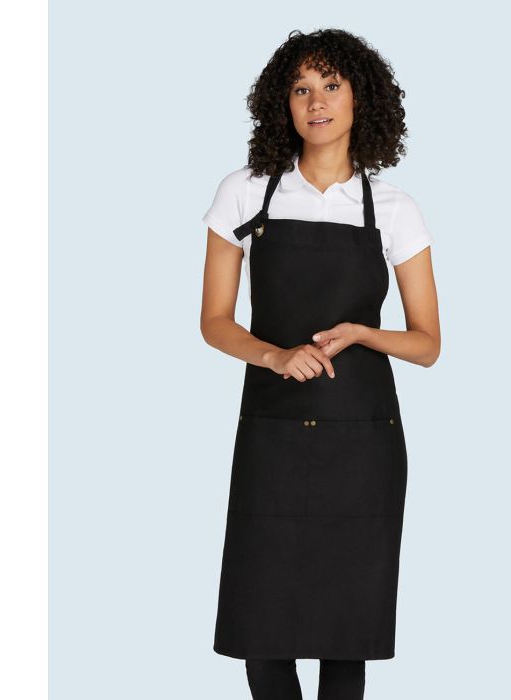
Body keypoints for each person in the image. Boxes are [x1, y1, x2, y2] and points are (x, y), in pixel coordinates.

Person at [199, 28, 441, 700]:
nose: (316, 102)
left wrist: (364, 332)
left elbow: (427, 344)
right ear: (283, 103)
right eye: (301, 88)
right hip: (272, 433)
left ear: (362, 99)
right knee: (261, 629)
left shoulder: (394, 209)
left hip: (361, 441)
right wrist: (274, 354)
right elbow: (214, 320)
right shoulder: (246, 193)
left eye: (331, 85)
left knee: (346, 632)